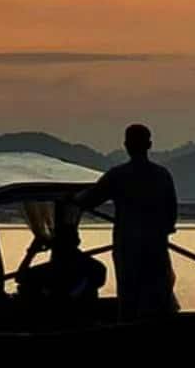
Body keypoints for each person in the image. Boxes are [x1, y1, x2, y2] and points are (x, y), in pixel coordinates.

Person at [77, 123, 180, 318]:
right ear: (149, 145)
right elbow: (171, 216)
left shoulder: (118, 175)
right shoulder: (162, 175)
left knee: (130, 294)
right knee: (158, 295)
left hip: (129, 247)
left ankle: (130, 325)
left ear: (126, 145)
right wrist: (160, 232)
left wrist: (73, 200)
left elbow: (89, 200)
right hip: (155, 246)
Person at [15, 222, 107, 316]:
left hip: (62, 319)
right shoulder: (96, 267)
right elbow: (20, 278)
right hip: (82, 320)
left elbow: (20, 278)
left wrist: (31, 253)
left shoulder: (50, 270)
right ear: (78, 242)